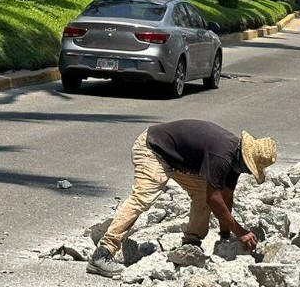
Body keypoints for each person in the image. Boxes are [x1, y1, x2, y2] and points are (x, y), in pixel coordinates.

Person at [87, 119, 278, 278]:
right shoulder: (222, 156)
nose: (246, 172)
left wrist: (226, 237)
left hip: (177, 160)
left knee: (201, 195)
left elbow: (226, 197)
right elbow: (215, 200)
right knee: (143, 197)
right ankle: (103, 253)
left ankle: (190, 246)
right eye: (249, 168)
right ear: (244, 158)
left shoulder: (235, 160)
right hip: (153, 149)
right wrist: (241, 232)